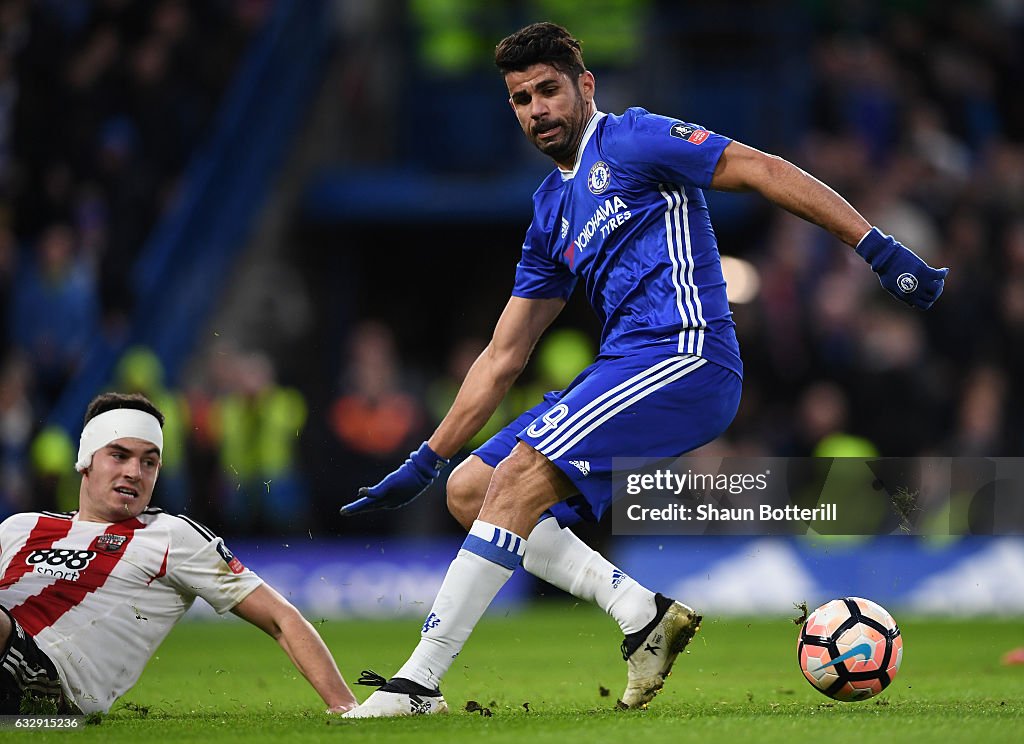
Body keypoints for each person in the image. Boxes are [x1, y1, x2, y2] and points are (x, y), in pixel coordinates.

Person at [339, 22, 947, 718]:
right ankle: (639, 612)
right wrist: (428, 458)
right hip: (628, 365)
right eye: (520, 99)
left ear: (584, 87)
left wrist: (874, 245)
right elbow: (504, 354)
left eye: (548, 91)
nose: (537, 109)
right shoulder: (548, 214)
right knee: (471, 489)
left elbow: (760, 168)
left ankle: (419, 684)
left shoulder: (632, 138)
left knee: (514, 480)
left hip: (687, 355)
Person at [0, 392, 357, 715]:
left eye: (149, 462)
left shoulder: (170, 537)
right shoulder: (20, 527)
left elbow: (281, 618)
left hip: (45, 682)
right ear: (85, 461)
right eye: (119, 455)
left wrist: (346, 705)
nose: (134, 472)